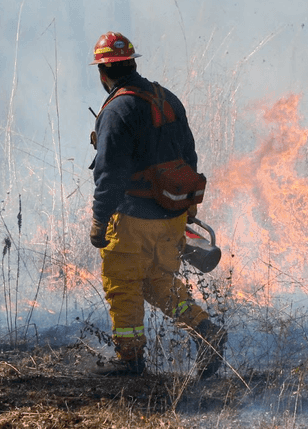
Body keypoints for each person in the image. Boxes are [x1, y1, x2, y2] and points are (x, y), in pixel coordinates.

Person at [88, 31, 226, 378]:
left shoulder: (117, 109)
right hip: (172, 216)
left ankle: (131, 360)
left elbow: (109, 173)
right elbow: (189, 154)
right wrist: (187, 209)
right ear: (132, 63)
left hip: (134, 217)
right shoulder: (166, 99)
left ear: (103, 73)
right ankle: (206, 331)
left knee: (124, 284)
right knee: (158, 284)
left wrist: (99, 220)